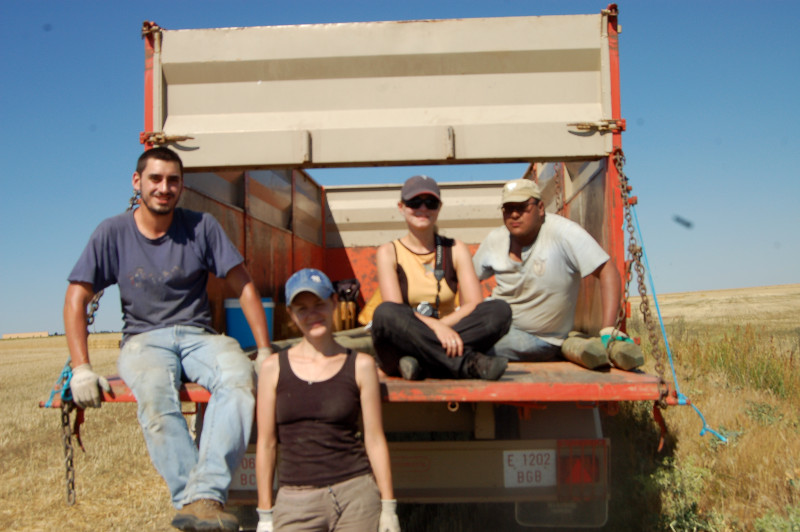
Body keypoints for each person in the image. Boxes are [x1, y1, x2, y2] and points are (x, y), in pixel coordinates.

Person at [64, 147, 271, 532]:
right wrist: (80, 368)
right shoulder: (113, 232)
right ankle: (196, 501)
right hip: (144, 340)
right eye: (155, 179)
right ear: (137, 181)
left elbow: (243, 285)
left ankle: (203, 497)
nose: (164, 187)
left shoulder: (202, 226)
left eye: (172, 180)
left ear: (181, 186)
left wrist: (263, 351)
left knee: (239, 380)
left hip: (199, 337)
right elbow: (77, 297)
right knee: (157, 398)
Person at [254, 268, 400, 532]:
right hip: (295, 502)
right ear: (290, 314)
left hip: (355, 497)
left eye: (319, 304)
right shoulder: (272, 368)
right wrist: (265, 515)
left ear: (334, 303)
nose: (312, 315)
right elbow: (266, 444)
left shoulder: (361, 365)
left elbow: (375, 439)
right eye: (302, 308)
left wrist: (389, 507)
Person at [472, 178, 629, 366]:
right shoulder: (495, 239)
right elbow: (468, 279)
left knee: (468, 346)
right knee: (453, 339)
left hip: (540, 338)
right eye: (508, 208)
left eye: (522, 207)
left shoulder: (563, 233)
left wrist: (608, 328)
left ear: (540, 208)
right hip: (495, 324)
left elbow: (607, 269)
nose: (514, 214)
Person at [370, 175, 511, 381]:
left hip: (452, 332)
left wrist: (444, 326)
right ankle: (467, 364)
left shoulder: (455, 248)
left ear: (440, 207)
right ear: (401, 207)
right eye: (414, 202)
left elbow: (472, 304)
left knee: (500, 311)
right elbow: (395, 310)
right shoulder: (388, 252)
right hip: (405, 340)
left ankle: (422, 364)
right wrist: (436, 328)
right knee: (385, 314)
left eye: (431, 203)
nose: (423, 208)